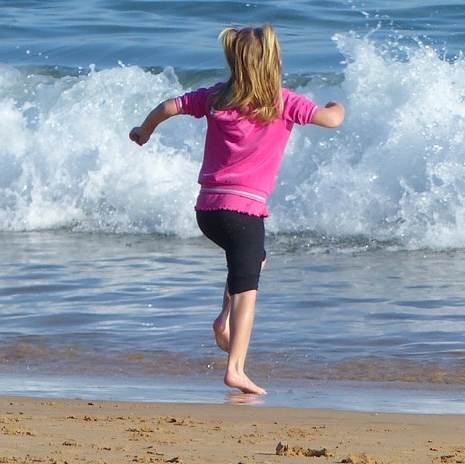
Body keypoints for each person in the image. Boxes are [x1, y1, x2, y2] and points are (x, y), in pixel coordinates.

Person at [129, 24, 345, 395]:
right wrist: (335, 106)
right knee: (248, 289)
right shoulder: (282, 101)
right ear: (274, 61)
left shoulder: (215, 97)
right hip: (244, 213)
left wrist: (144, 131)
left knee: (252, 260)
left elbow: (169, 106)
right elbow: (332, 120)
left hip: (209, 211)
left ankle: (222, 322)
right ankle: (236, 368)